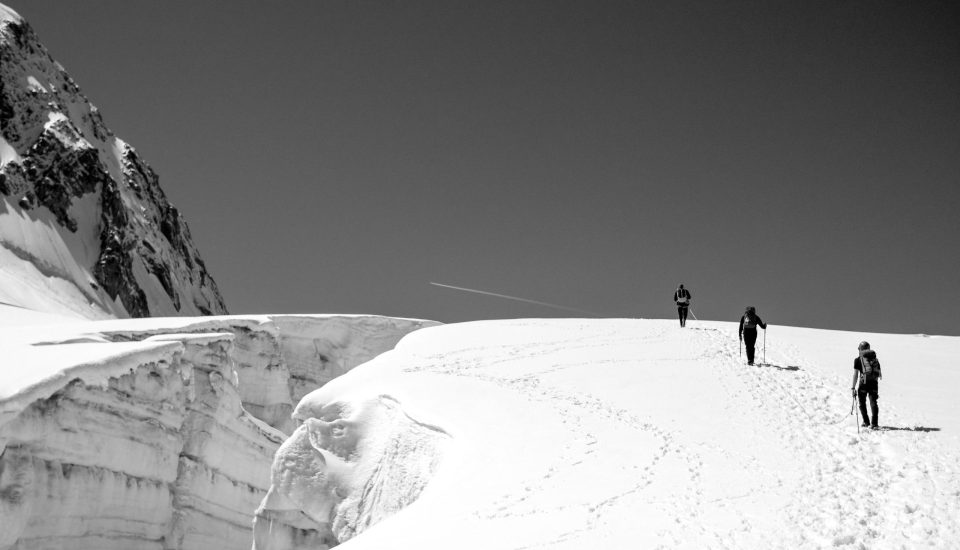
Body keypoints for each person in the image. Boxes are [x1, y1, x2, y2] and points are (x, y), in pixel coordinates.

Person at [851, 341, 881, 429]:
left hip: (863, 383)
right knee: (873, 402)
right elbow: (878, 373)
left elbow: (856, 374)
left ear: (860, 349)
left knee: (862, 403)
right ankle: (874, 423)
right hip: (874, 383)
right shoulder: (875, 359)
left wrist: (853, 387)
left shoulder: (857, 360)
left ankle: (866, 421)